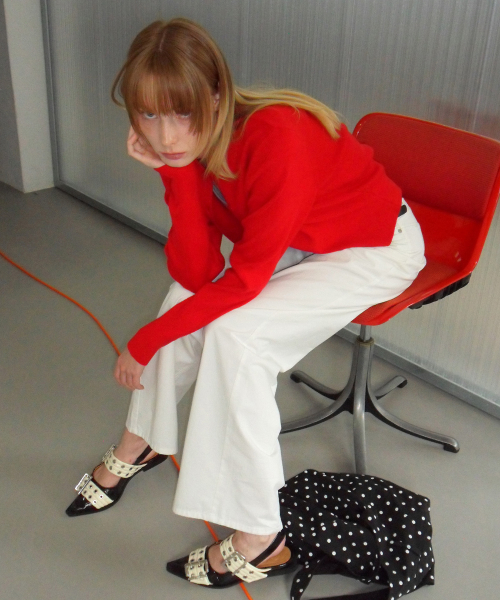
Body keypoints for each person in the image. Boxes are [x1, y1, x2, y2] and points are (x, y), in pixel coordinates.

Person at [65, 17, 426, 589]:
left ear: (215, 95)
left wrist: (145, 341)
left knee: (238, 339)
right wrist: (176, 173)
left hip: (374, 246)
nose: (165, 135)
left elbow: (245, 281)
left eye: (180, 112)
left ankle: (263, 538)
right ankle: (142, 442)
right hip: (303, 239)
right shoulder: (192, 147)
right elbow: (196, 272)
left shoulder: (278, 136)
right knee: (187, 299)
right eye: (149, 115)